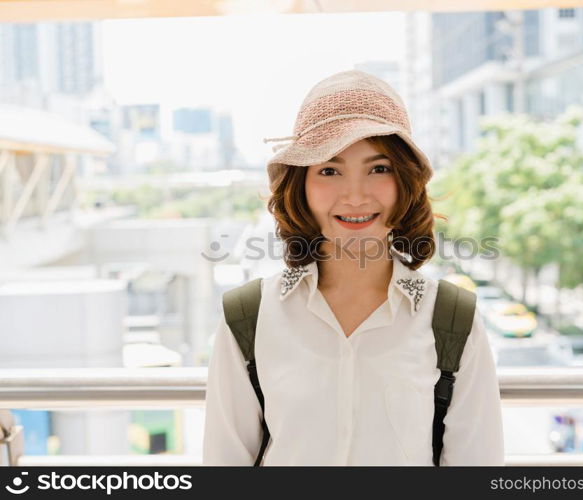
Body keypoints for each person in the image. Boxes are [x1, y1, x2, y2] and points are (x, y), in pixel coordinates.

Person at [202, 69, 504, 466]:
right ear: (302, 186)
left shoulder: (452, 321)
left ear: (405, 183)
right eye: (329, 170)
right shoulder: (248, 318)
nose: (356, 195)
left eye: (379, 168)